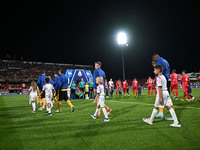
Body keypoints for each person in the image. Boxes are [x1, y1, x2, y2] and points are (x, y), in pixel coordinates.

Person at [152, 54, 171, 118]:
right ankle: (161, 112)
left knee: (165, 98)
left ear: (156, 57)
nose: (154, 60)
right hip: (167, 79)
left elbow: (159, 72)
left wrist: (154, 83)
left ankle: (172, 115)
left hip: (163, 80)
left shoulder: (159, 61)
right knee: (166, 98)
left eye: (154, 58)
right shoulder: (165, 61)